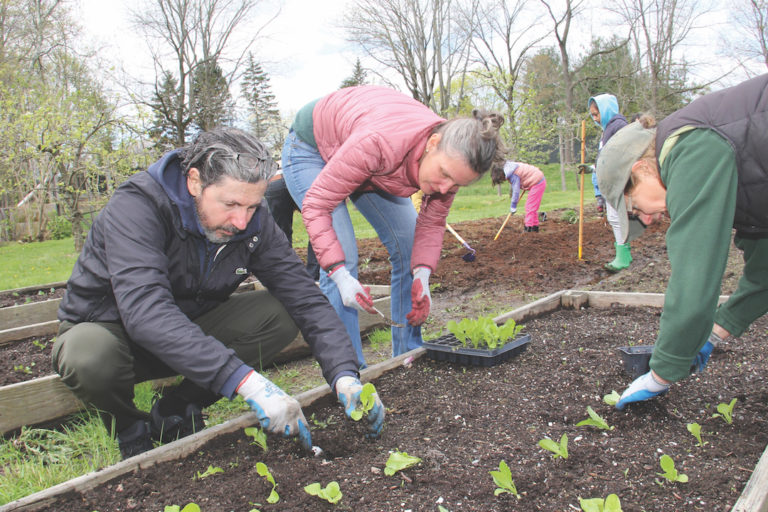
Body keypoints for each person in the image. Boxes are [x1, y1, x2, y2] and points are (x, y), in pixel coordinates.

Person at [53, 127, 385, 459]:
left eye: (252, 206)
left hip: (188, 327)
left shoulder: (253, 221)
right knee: (88, 357)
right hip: (114, 330)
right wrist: (247, 383)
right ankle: (130, 429)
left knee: (280, 314)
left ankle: (176, 408)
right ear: (195, 181)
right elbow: (145, 312)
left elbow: (304, 297)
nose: (242, 221)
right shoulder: (138, 206)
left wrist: (345, 375)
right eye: (231, 204)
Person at [281, 85, 505, 368]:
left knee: (411, 248)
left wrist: (422, 276)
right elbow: (317, 206)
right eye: (445, 175)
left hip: (376, 165)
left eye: (456, 184)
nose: (445, 188)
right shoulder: (380, 143)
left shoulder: (451, 162)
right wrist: (338, 275)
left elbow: (433, 222)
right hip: (312, 147)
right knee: (343, 258)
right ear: (432, 144)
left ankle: (406, 355)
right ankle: (348, 373)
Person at [594, 74, 768, 410]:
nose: (646, 219)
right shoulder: (728, 167)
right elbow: (765, 272)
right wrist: (716, 333)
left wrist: (661, 374)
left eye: (633, 207)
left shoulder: (690, 147)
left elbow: (695, 275)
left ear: (642, 169)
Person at [584, 94, 632, 272]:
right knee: (614, 218)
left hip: (618, 181)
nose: (595, 119)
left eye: (596, 114)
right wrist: (593, 168)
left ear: (606, 110)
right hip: (611, 181)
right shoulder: (608, 129)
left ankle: (624, 256)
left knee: (617, 217)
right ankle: (622, 254)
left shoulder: (618, 126)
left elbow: (619, 155)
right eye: (592, 115)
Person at [264, 168, 320, 280]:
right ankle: (313, 276)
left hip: (274, 182)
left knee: (280, 235)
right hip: (300, 178)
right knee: (318, 228)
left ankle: (284, 277)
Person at [490, 160, 547, 232]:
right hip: (537, 180)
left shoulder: (513, 174)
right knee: (532, 207)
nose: (503, 180)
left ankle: (528, 228)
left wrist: (513, 206)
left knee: (530, 207)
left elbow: (516, 192)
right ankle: (534, 227)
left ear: (501, 174)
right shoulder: (510, 167)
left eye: (501, 179)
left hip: (537, 182)